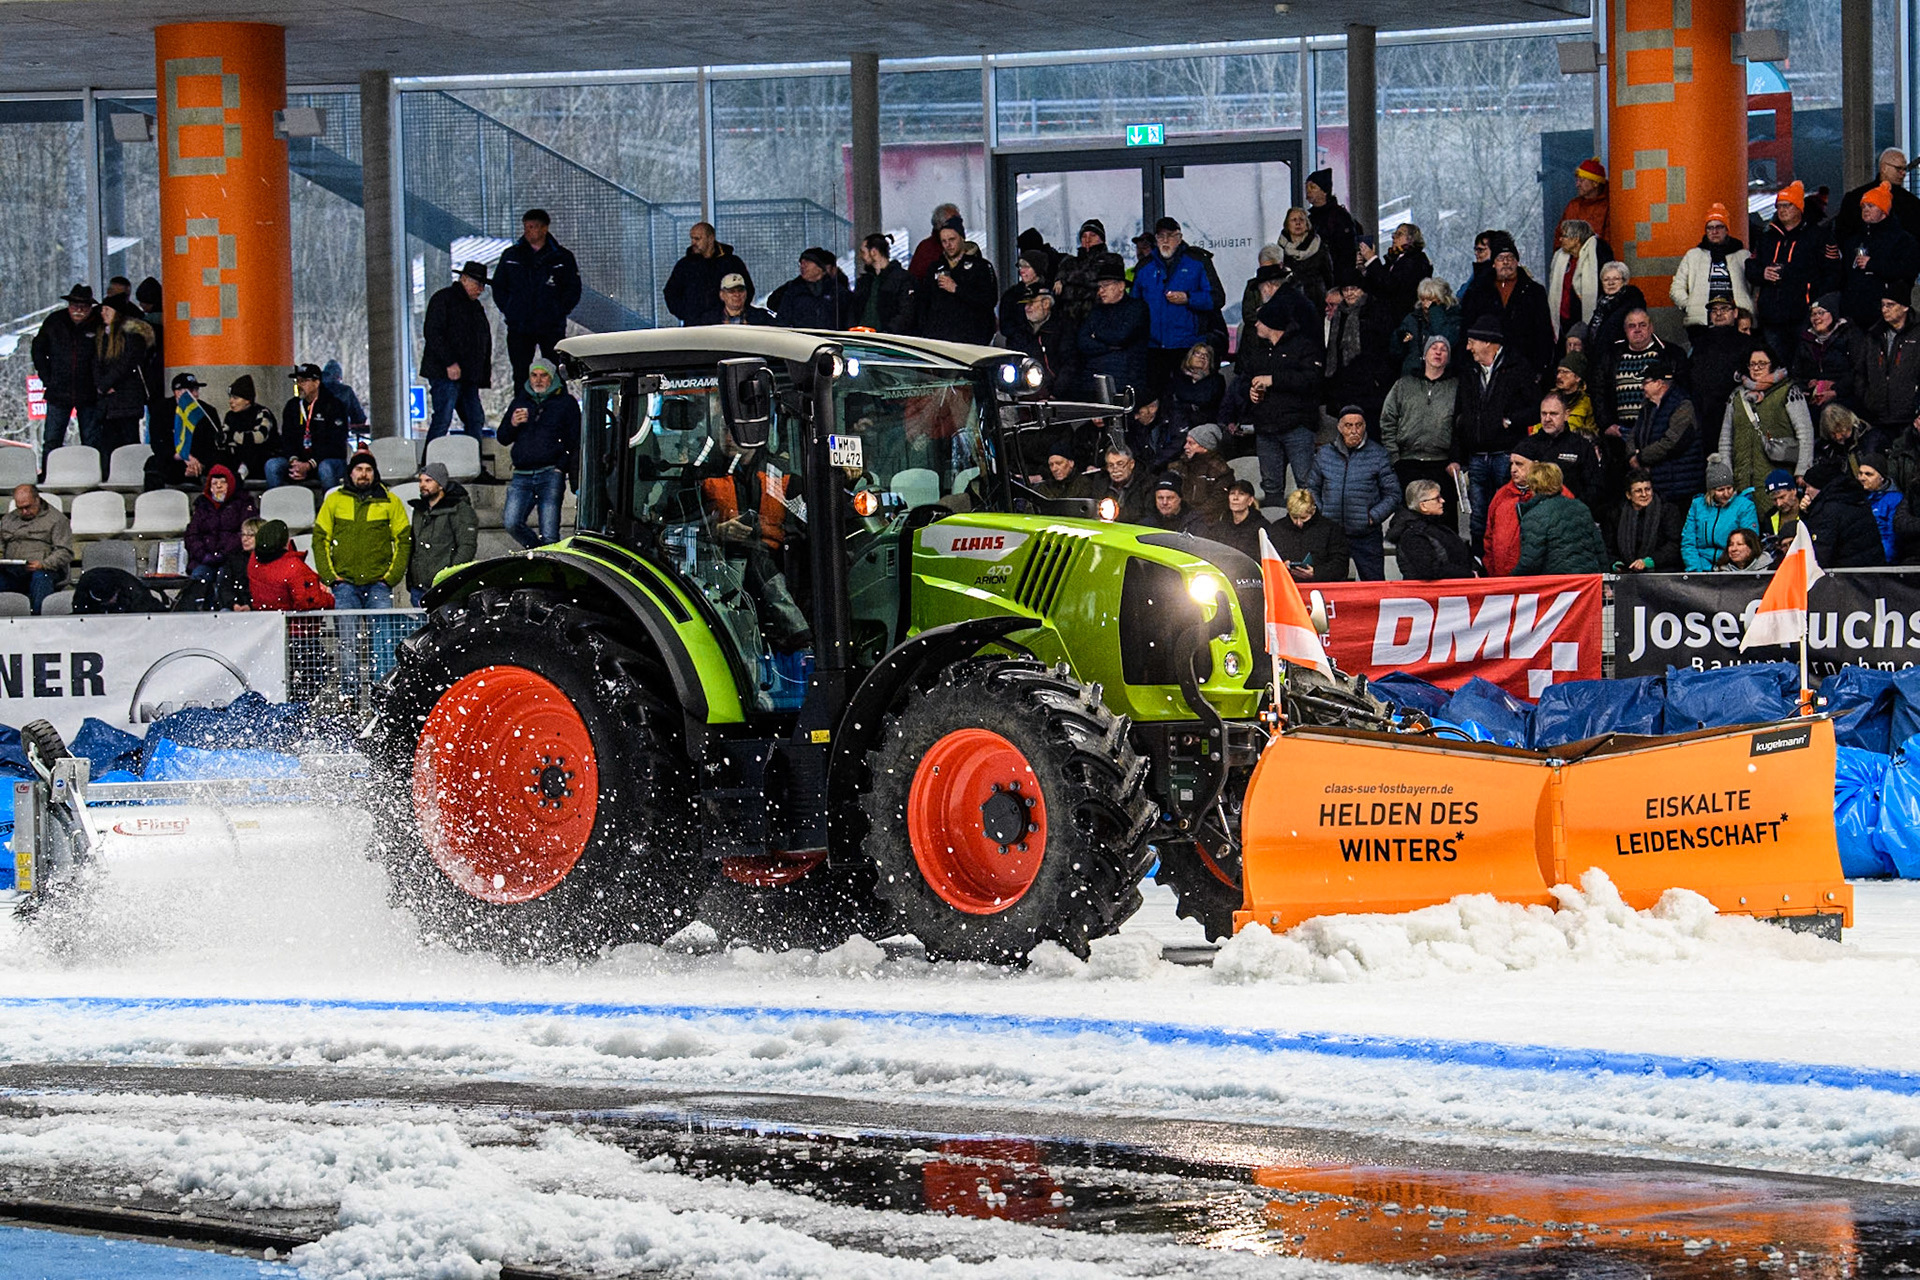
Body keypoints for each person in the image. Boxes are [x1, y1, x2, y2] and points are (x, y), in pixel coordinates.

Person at [1453, 319, 1539, 551]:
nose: (1468, 347)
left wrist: (1510, 421)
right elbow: (1458, 415)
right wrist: (1458, 456)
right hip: (1476, 456)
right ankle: (1481, 564)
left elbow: (1535, 408)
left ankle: (1507, 565)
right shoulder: (1468, 370)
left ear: (1489, 342)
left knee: (1508, 515)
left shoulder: (1518, 367)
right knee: (1478, 520)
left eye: (1472, 342)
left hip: (1506, 455)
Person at [1229, 294, 1324, 502]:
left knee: (1305, 482)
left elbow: (1311, 379)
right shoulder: (1259, 350)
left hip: (1297, 424)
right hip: (1266, 426)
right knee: (1270, 484)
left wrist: (1273, 380)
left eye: (1260, 321)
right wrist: (1251, 393)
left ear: (1272, 324)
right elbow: (1246, 379)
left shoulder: (1304, 346)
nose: (1256, 324)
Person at [492, 208, 582, 390]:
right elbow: (499, 287)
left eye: (532, 227)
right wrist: (511, 309)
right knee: (520, 373)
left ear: (544, 229)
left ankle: (555, 410)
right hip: (519, 325)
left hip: (551, 325)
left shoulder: (561, 258)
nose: (528, 231)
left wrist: (558, 311)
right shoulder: (511, 256)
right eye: (526, 227)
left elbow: (572, 289)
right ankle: (523, 410)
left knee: (555, 370)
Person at [495, 358, 580, 548]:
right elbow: (502, 437)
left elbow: (575, 440)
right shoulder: (520, 401)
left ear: (552, 378)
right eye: (534, 375)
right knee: (511, 522)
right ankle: (537, 552)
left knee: (550, 533)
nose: (538, 380)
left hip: (550, 473)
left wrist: (561, 467)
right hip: (521, 474)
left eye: (543, 376)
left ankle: (551, 566)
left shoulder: (565, 403)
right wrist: (513, 423)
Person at [1748, 182, 1834, 362]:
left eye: (1787, 205)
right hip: (1771, 315)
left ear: (1799, 208)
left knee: (1804, 362)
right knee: (1775, 364)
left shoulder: (1817, 236)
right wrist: (1763, 273)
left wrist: (1817, 303)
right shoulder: (1767, 237)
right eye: (1779, 206)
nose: (1782, 210)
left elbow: (1831, 272)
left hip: (1803, 314)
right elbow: (1751, 266)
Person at [1310, 407, 1397, 581]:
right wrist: (1322, 513)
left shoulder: (1378, 454)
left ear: (1365, 426)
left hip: (1366, 533)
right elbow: (1312, 488)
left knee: (1374, 584)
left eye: (1358, 425)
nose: (1354, 430)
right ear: (1340, 428)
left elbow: (1393, 494)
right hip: (1330, 532)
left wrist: (1372, 516)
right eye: (1348, 425)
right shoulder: (1324, 454)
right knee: (1329, 584)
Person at [1380, 335, 1458, 526]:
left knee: (1444, 522)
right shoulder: (1404, 385)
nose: (1438, 352)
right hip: (1408, 463)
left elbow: (1462, 425)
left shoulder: (1457, 387)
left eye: (1444, 349)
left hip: (1442, 465)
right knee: (1409, 521)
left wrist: (1456, 459)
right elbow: (1387, 421)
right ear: (1424, 354)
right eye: (1434, 348)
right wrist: (1394, 458)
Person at [1132, 217, 1215, 396]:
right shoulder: (1144, 267)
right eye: (1161, 236)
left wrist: (1188, 298)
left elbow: (1216, 298)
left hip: (1186, 345)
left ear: (1180, 237)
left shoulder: (1198, 261)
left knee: (1184, 399)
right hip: (1153, 347)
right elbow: (1134, 305)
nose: (1165, 241)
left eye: (1170, 236)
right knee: (1154, 397)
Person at [1459, 233, 1554, 382]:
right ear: (1493, 263)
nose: (1506, 263)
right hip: (1486, 366)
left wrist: (1540, 367)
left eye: (1510, 258)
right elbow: (1467, 327)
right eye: (1501, 258)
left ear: (1517, 262)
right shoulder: (1478, 291)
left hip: (1524, 364)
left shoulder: (1534, 291)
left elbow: (1544, 332)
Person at [1722, 345, 1814, 497]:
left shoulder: (1789, 391)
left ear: (1773, 365)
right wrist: (1726, 475)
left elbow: (1805, 433)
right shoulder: (1736, 396)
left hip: (1779, 482)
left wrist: (1802, 470)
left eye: (1762, 363)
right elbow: (1725, 440)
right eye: (1752, 364)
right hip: (1742, 482)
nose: (1756, 368)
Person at [419, 260, 492, 440]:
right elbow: (433, 333)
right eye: (477, 284)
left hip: (467, 374)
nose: (480, 289)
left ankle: (473, 461)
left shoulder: (473, 306)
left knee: (474, 419)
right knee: (444, 418)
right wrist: (449, 362)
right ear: (464, 279)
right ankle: (430, 463)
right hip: (446, 372)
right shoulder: (444, 300)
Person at [1598, 308, 1686, 447]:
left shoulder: (1671, 354)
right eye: (1632, 326)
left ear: (1651, 327)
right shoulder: (1611, 356)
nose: (1637, 330)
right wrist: (1606, 424)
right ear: (1625, 330)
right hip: (1620, 432)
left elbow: (1682, 392)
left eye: (1642, 325)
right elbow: (1599, 392)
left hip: (1658, 431)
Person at [1840, 184, 1920, 328]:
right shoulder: (1854, 240)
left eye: (1871, 206)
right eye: (1863, 207)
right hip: (1854, 315)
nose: (1866, 210)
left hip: (1885, 315)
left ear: (1884, 210)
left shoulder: (1902, 240)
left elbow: (1908, 271)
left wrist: (1873, 265)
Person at [31, 284, 97, 457]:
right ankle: (48, 475)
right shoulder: (55, 322)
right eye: (75, 305)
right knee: (52, 439)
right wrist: (47, 377)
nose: (79, 310)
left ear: (91, 307)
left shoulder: (97, 324)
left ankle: (95, 475)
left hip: (89, 391)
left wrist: (99, 383)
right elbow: (38, 349)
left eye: (84, 306)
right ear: (68, 305)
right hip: (58, 390)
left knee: (92, 440)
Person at [1669, 205, 1754, 338]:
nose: (1714, 231)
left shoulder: (1743, 256)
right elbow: (1676, 288)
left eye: (1719, 227)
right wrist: (1689, 306)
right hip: (1701, 322)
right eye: (1710, 227)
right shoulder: (1693, 255)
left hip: (1737, 320)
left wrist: (1747, 311)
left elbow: (1754, 287)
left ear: (1727, 230)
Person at [1626, 358, 1703, 503]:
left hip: (1680, 486)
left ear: (1660, 383)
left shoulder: (1683, 405)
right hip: (1658, 484)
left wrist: (1641, 458)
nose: (1642, 387)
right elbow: (1633, 435)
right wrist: (1631, 455)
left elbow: (1672, 442)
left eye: (1646, 382)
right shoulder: (1647, 407)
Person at [1322, 275, 1394, 427]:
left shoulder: (1375, 311)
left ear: (1362, 290)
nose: (1349, 293)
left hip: (1369, 383)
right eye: (1345, 290)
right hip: (1343, 383)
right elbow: (1334, 350)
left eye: (1354, 289)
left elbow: (1383, 346)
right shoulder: (1339, 314)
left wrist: (1377, 378)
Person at [911, 216, 997, 344]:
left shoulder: (981, 266)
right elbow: (925, 302)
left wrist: (957, 289)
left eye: (952, 239)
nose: (948, 245)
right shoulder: (935, 267)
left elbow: (989, 300)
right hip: (939, 339)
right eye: (944, 241)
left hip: (971, 338)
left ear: (962, 238)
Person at [270, 363, 353, 490]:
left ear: (316, 382)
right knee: (273, 466)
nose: (299, 385)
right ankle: (278, 505)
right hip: (299, 460)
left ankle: (329, 505)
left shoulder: (334, 406)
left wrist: (310, 464)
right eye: (297, 381)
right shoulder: (292, 406)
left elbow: (335, 443)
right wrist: (294, 461)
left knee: (326, 469)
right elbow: (287, 438)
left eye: (304, 381)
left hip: (326, 460)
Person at [1077, 256, 1149, 400]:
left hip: (1126, 380)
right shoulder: (1096, 310)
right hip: (1094, 379)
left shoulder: (1136, 308)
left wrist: (1096, 335)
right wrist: (1110, 347)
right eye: (1099, 286)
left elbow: (1121, 336)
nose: (1101, 291)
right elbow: (1082, 341)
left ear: (1121, 286)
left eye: (1105, 285)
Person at [1516, 461, 1607, 575]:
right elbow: (1599, 548)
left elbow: (1530, 562)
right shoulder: (1581, 507)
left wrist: (1509, 583)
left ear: (1533, 485)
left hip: (1558, 584)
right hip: (1587, 582)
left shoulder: (1534, 516)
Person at [406, 461, 478, 605]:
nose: (422, 485)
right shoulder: (419, 511)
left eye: (428, 480)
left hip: (446, 587)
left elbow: (467, 546)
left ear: (441, 484)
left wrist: (450, 576)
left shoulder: (460, 509)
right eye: (420, 481)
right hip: (419, 587)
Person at [91, 292, 153, 453]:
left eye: (107, 310)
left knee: (128, 443)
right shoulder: (101, 336)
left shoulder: (133, 337)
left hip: (127, 400)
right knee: (108, 444)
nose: (102, 313)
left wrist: (105, 384)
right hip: (108, 403)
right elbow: (95, 363)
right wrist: (101, 385)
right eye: (102, 309)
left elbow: (125, 364)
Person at [1798, 459, 1887, 568]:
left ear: (1820, 487)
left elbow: (1821, 555)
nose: (1806, 492)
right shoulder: (1854, 498)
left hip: (1847, 577)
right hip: (1870, 574)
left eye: (1808, 486)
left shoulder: (1829, 511)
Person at [144, 372, 225, 491]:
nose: (196, 394)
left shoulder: (207, 411)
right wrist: (185, 457)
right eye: (192, 391)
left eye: (197, 390)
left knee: (222, 460)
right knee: (153, 463)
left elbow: (212, 445)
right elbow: (158, 444)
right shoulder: (161, 410)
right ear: (177, 392)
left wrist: (198, 464)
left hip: (199, 464)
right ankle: (153, 505)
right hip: (175, 461)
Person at [663, 222, 753, 327]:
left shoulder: (731, 262)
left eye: (697, 239)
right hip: (695, 325)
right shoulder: (685, 265)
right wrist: (687, 314)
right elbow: (671, 292)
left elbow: (747, 289)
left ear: (710, 238)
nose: (693, 242)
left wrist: (736, 312)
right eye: (692, 238)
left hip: (725, 324)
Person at [1860, 283, 1920, 441]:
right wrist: (1868, 399)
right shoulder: (1873, 335)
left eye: (1890, 305)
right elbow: (1861, 371)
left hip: (1910, 418)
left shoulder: (1918, 333)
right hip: (1878, 417)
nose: (1884, 309)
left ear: (1905, 307)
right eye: (1883, 305)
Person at [1519, 390, 1601, 504]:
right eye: (1544, 413)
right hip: (1534, 513)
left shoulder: (1582, 446)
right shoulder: (1526, 446)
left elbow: (1594, 486)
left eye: (1553, 414)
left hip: (1571, 513)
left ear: (1566, 415)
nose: (1547, 419)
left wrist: (1575, 508)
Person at [1681, 456, 1761, 571]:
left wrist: (1727, 568)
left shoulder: (1744, 506)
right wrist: (1696, 570)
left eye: (1729, 488)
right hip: (1701, 564)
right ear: (1711, 491)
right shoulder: (1697, 505)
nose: (1726, 494)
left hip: (1731, 566)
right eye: (1720, 490)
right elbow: (1688, 542)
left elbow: (1749, 542)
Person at [0, 484, 71, 613]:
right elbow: (1, 544)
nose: (24, 512)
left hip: (44, 569)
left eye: (27, 507)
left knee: (41, 578)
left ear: (37, 500)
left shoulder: (57, 520)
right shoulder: (8, 519)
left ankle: (39, 620)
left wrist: (44, 564)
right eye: (20, 508)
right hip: (13, 570)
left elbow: (64, 551)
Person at [183, 463, 257, 580]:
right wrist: (202, 555)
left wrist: (223, 554)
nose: (219, 486)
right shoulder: (202, 505)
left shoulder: (243, 503)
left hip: (233, 559)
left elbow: (246, 532)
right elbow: (192, 535)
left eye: (223, 482)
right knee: (199, 577)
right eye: (214, 483)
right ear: (210, 487)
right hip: (205, 559)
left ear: (230, 484)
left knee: (225, 579)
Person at [1000, 285, 1079, 395]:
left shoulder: (1062, 329)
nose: (1027, 308)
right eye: (1025, 304)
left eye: (1031, 303)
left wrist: (1055, 394)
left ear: (1046, 304)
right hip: (1024, 395)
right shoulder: (1020, 331)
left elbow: (1070, 364)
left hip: (1055, 397)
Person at [1390, 478, 1474, 580]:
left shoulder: (1436, 526)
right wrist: (1468, 575)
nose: (1443, 501)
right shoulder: (1413, 534)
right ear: (1423, 505)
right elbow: (1430, 569)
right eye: (1437, 498)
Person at [1792, 293, 1861, 414]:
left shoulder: (1849, 335)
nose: (1816, 318)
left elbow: (1858, 370)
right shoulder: (1806, 340)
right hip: (1814, 398)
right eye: (1813, 314)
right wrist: (1808, 386)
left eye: (1821, 313)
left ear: (1833, 314)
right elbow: (1797, 373)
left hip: (1844, 396)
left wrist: (1836, 389)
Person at [246, 518, 334, 612]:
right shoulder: (294, 566)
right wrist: (329, 598)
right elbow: (309, 602)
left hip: (266, 620)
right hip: (293, 624)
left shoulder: (254, 560)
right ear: (286, 541)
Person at [1837, 149, 1920, 245]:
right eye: (1898, 169)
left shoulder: (1856, 196)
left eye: (1904, 169)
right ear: (1884, 168)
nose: (1903, 173)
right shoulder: (1855, 198)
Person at [1265, 487, 1349, 582]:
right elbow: (1266, 560)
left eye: (1304, 518)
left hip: (1321, 585)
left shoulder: (1331, 529)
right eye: (1295, 517)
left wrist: (1317, 573)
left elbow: (1340, 565)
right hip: (1286, 585)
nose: (1299, 522)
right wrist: (1281, 567)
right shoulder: (1276, 529)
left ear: (1313, 510)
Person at [1360, 223, 1431, 326]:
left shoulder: (1415, 261)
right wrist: (1365, 269)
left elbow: (1390, 285)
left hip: (1402, 319)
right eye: (1394, 234)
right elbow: (1378, 284)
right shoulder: (1394, 259)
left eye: (1399, 234)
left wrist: (1372, 260)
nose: (1394, 237)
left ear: (1411, 239)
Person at [1546, 219, 1603, 344]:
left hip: (1582, 318)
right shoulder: (1561, 258)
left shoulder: (1597, 257)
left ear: (1576, 238)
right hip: (1563, 321)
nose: (1560, 239)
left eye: (1564, 236)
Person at [1614, 471, 1683, 571]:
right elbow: (1609, 547)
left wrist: (1649, 562)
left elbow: (1674, 544)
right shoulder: (1617, 514)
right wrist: (1616, 564)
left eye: (1647, 489)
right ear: (1628, 495)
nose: (1644, 494)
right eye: (1638, 491)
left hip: (1662, 572)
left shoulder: (1667, 510)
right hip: (1626, 574)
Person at [770, 247, 854, 330]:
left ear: (820, 267)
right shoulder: (792, 291)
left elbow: (850, 319)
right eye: (801, 263)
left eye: (808, 262)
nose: (803, 266)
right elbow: (781, 319)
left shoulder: (838, 292)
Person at [1393, 277, 1461, 377]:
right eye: (1423, 300)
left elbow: (1448, 340)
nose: (1426, 305)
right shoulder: (1412, 319)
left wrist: (1435, 312)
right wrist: (1398, 338)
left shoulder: (1453, 319)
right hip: (1412, 376)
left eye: (1431, 301)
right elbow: (1396, 352)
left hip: (1441, 377)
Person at [1169, 423, 1235, 523]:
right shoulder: (1177, 467)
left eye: (1191, 443)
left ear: (1205, 447)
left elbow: (1216, 503)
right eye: (1186, 442)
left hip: (1205, 522)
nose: (1185, 446)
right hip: (1175, 516)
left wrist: (1191, 516)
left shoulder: (1221, 472)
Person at [220, 376, 279, 483]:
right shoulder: (230, 416)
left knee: (251, 448)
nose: (231, 401)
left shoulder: (262, 413)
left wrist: (234, 436)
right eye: (230, 397)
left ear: (247, 400)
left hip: (260, 458)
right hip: (236, 457)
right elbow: (225, 434)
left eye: (235, 398)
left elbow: (260, 436)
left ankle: (241, 474)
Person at [1482, 452, 1532, 577]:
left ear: (1536, 465)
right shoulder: (1502, 495)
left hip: (1540, 583)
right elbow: (1488, 536)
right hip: (1502, 579)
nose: (1513, 469)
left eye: (1519, 464)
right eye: (1511, 464)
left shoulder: (1553, 494)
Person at [1192, 479, 1269, 558]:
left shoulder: (1261, 527)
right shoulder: (1221, 523)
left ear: (1250, 500)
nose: (1235, 498)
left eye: (1241, 494)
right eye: (1232, 493)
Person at [1584, 260, 1645, 359]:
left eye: (1616, 279)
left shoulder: (1632, 302)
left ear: (1625, 281)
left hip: (1620, 358)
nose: (1610, 283)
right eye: (1606, 280)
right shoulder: (1602, 303)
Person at [1161, 341, 1224, 436]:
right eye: (1197, 353)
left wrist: (1184, 400)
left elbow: (1205, 399)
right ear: (1189, 357)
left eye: (1206, 356)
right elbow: (1175, 396)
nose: (1202, 357)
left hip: (1204, 425)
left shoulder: (1216, 380)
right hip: (1177, 424)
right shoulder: (1178, 376)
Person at [1303, 169, 1359, 276]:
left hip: (1337, 273)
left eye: (1313, 187)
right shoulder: (1310, 218)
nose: (1308, 191)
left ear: (1324, 191)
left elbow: (1347, 251)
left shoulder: (1339, 217)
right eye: (1307, 187)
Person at [853, 233, 912, 333]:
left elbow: (906, 313)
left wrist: (887, 332)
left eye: (863, 252)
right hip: (862, 338)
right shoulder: (865, 281)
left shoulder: (901, 279)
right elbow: (854, 310)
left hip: (886, 339)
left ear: (874, 252)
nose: (860, 256)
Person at [1277, 206, 1333, 308]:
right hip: (1290, 301)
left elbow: (1328, 275)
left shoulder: (1320, 246)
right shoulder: (1279, 249)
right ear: (1287, 225)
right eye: (1294, 220)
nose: (1298, 223)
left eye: (1301, 220)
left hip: (1316, 299)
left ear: (1307, 225)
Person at [1857, 451, 1903, 560]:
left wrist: (1881, 562)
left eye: (1869, 474)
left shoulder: (1894, 500)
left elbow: (1891, 536)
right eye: (1860, 473)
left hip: (1880, 561)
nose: (1862, 478)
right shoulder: (1859, 497)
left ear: (1881, 477)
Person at [1559, 157, 1612, 250]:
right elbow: (1559, 238)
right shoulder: (1573, 206)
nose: (1577, 184)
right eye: (1577, 180)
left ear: (1595, 183)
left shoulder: (1610, 205)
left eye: (1582, 180)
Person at [908, 202, 962, 280]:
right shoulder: (926, 249)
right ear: (941, 224)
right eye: (954, 220)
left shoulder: (967, 247)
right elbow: (914, 279)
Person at [1102, 445, 1154, 525]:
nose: (1115, 469)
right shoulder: (1101, 485)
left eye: (1120, 464)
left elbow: (1149, 517)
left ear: (1131, 464)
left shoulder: (1146, 485)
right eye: (1111, 465)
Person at [1033, 445, 1104, 503]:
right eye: (1051, 465)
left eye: (1059, 463)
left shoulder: (1084, 485)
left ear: (1071, 463)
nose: (1054, 468)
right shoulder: (1044, 488)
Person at [1757, 469, 1802, 554]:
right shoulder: (1769, 518)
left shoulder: (1809, 512)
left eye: (1782, 497)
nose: (1779, 503)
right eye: (1774, 500)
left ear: (1793, 490)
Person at [1553, 351, 1596, 435]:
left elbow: (1589, 432)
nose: (1559, 376)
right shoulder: (1550, 399)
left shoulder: (1585, 403)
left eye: (1565, 372)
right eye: (1559, 371)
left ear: (1577, 377)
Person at [321, 361, 367, 438]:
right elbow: (358, 416)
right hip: (339, 434)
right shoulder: (346, 391)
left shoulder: (316, 391)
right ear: (339, 377)